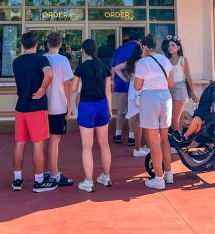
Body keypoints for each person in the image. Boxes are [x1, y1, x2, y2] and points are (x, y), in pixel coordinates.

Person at [11, 31, 58, 193]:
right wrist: (42, 89)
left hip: (21, 107)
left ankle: (17, 179)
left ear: (22, 45)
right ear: (36, 44)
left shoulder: (16, 62)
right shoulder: (41, 59)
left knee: (19, 144)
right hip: (37, 107)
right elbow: (49, 73)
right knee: (38, 145)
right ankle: (39, 181)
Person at [134, 34, 174, 190]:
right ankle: (169, 173)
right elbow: (171, 83)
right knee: (164, 139)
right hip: (165, 98)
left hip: (149, 99)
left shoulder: (143, 63)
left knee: (153, 141)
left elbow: (137, 86)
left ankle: (158, 179)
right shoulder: (165, 60)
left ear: (144, 46)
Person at [72, 39, 112, 193]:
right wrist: (109, 110)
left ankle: (89, 182)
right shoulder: (104, 66)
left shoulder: (81, 67)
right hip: (102, 105)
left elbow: (74, 88)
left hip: (87, 106)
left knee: (87, 146)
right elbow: (108, 91)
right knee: (104, 144)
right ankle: (106, 177)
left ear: (84, 51)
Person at [43, 31, 74, 186]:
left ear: (47, 43)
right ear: (60, 44)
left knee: (43, 140)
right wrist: (69, 104)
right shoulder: (63, 60)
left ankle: (45, 171)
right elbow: (67, 83)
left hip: (42, 106)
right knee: (55, 140)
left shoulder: (42, 59)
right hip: (58, 106)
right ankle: (54, 174)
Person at [112, 42, 149, 157]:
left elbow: (116, 68)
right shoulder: (143, 62)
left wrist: (125, 79)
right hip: (142, 91)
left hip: (132, 91)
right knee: (143, 119)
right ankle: (138, 142)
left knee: (132, 115)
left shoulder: (131, 62)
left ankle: (133, 140)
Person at [110, 31, 140, 146]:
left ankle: (118, 134)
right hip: (137, 86)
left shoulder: (119, 49)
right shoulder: (140, 50)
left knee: (120, 111)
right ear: (139, 40)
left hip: (121, 84)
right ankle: (131, 137)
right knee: (133, 112)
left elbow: (113, 67)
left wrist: (114, 81)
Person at [165, 35, 198, 134]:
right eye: (169, 46)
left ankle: (176, 139)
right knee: (170, 117)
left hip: (180, 88)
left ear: (178, 47)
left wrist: (193, 93)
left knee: (175, 118)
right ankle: (178, 135)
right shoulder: (167, 60)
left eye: (173, 45)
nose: (170, 47)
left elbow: (188, 77)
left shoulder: (183, 60)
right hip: (169, 88)